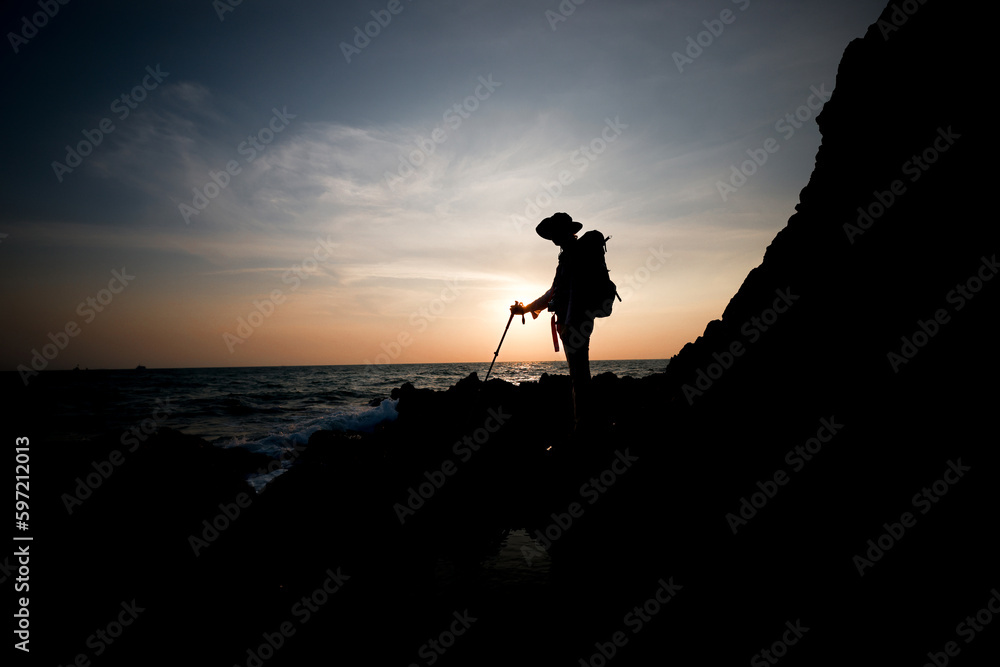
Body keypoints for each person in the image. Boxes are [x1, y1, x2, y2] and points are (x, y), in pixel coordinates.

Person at [511, 212, 600, 432]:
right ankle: (586, 426)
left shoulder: (573, 255)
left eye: (554, 233)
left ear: (565, 232)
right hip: (573, 324)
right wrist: (526, 309)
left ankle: (585, 429)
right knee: (579, 376)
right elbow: (554, 293)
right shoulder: (566, 256)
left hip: (575, 325)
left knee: (579, 377)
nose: (552, 238)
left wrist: (569, 324)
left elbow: (575, 292)